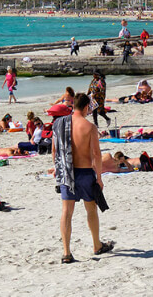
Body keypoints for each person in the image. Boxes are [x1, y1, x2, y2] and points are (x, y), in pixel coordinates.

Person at [53, 93, 112, 264]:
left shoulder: (58, 124)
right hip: (85, 172)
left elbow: (55, 151)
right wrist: (99, 178)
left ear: (73, 106)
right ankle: (96, 245)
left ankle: (66, 252)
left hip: (66, 172)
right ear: (86, 107)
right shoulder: (89, 127)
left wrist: (58, 171)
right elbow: (96, 154)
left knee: (66, 212)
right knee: (91, 209)